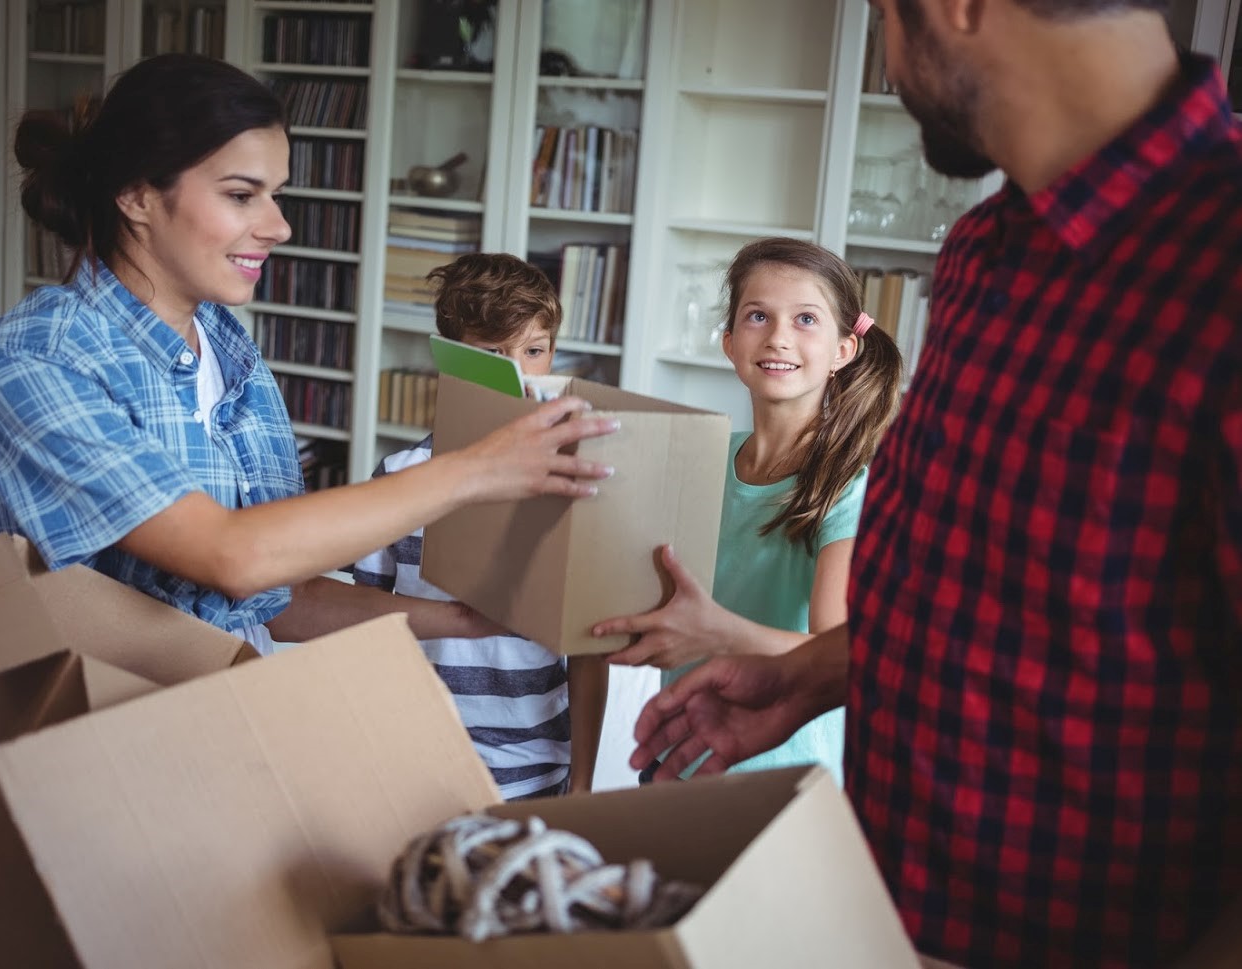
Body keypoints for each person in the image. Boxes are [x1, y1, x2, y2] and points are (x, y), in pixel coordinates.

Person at [630, 2, 1242, 966]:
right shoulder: (981, 252)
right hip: (880, 914)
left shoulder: (1220, 262)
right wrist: (807, 673)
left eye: (880, 12)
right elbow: (1009, 607)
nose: (885, 54)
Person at [0, 54, 616, 654]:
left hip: (233, 711)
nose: (279, 226)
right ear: (134, 195)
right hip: (108, 736)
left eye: (277, 194)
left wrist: (468, 621)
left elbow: (277, 596)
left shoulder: (229, 351)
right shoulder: (35, 361)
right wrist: (475, 468)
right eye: (242, 194)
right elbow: (231, 556)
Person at [595, 238, 901, 785]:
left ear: (843, 351)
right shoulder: (698, 458)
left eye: (806, 319)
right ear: (730, 343)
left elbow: (843, 651)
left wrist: (718, 633)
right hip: (677, 755)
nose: (779, 336)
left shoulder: (849, 489)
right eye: (758, 315)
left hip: (777, 775)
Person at [350, 253, 609, 799]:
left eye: (534, 352)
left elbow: (588, 650)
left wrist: (582, 782)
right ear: (450, 361)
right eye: (492, 354)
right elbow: (364, 628)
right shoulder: (400, 478)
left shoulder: (573, 483)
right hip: (417, 759)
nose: (517, 374)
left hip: (537, 764)